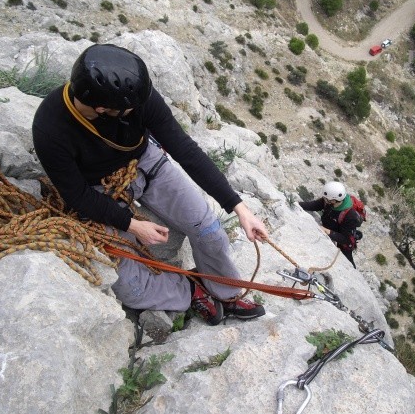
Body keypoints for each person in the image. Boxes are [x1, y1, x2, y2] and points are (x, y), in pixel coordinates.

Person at [32, 43, 268, 325]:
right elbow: (76, 195)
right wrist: (132, 224)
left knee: (210, 231)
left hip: (146, 164)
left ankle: (226, 293)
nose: (137, 110)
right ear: (102, 107)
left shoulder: (136, 97)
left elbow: (185, 149)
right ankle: (191, 288)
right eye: (129, 109)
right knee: (130, 288)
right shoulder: (50, 127)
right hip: (101, 190)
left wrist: (239, 208)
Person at [299, 181, 362, 269]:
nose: (324, 199)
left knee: (348, 261)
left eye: (326, 199)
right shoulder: (328, 201)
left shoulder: (350, 216)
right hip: (332, 229)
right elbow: (313, 205)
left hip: (342, 239)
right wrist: (297, 204)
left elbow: (346, 239)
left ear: (333, 200)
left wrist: (328, 232)